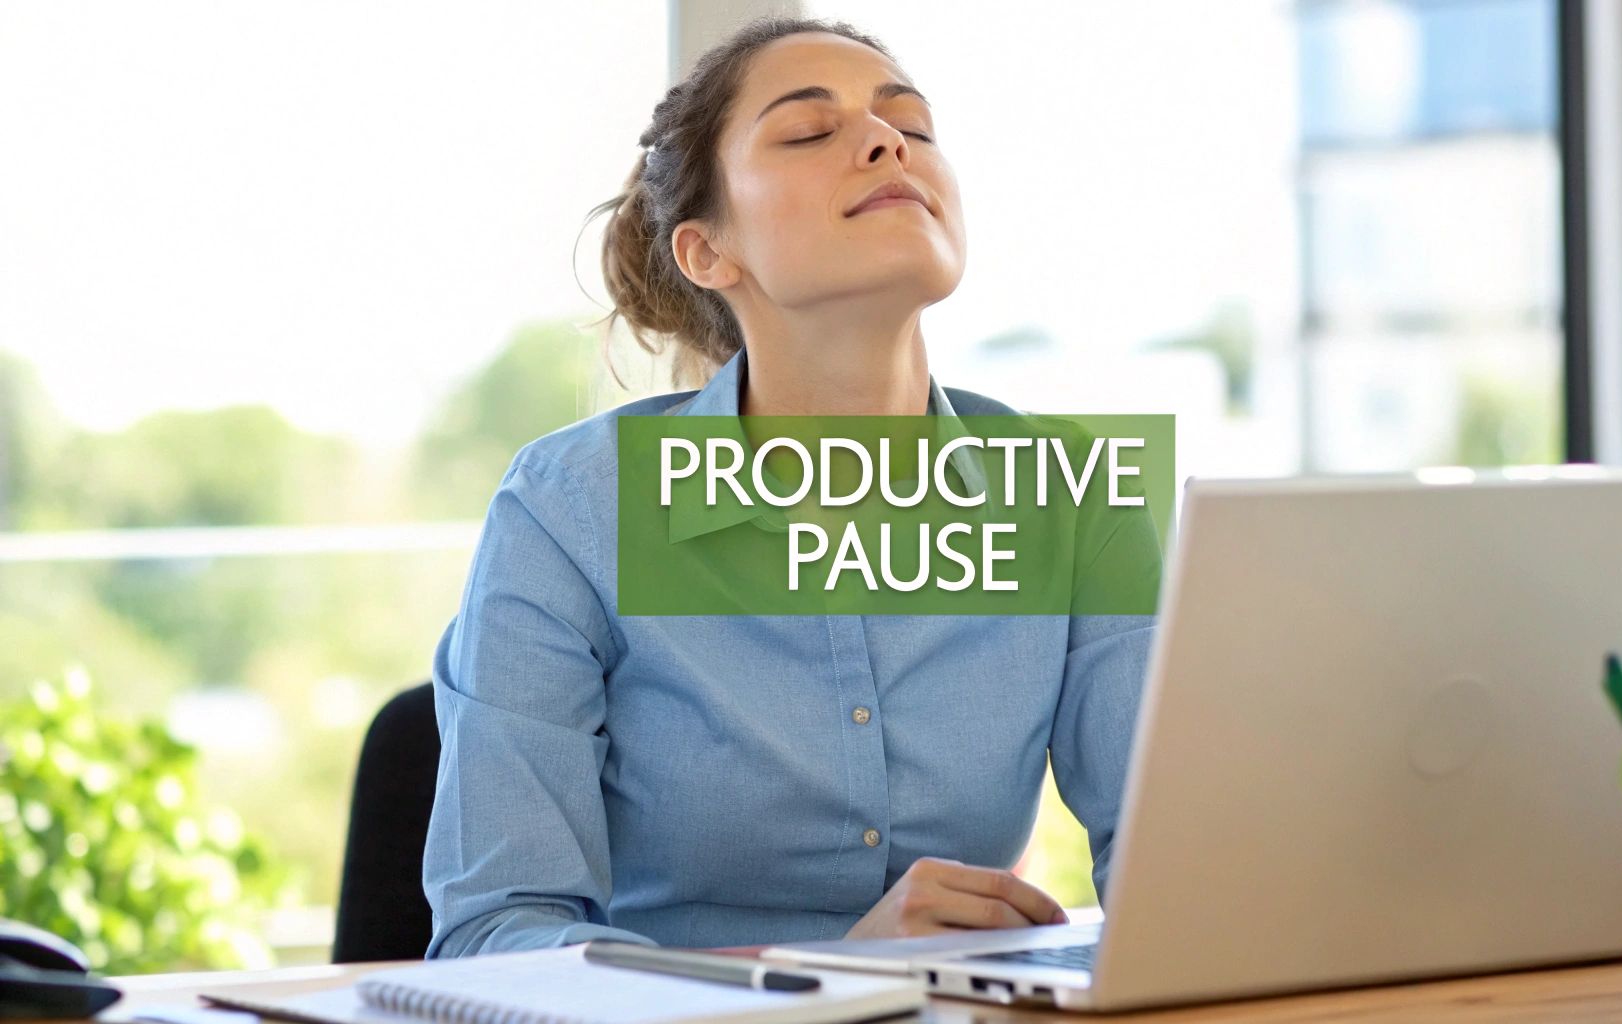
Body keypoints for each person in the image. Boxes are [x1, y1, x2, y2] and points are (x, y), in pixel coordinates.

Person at [422, 15, 1158, 957]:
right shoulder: (572, 509)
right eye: (810, 133)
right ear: (706, 252)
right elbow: (495, 936)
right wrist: (827, 976)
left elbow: (1179, 878)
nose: (888, 141)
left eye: (915, 128)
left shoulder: (1073, 498)